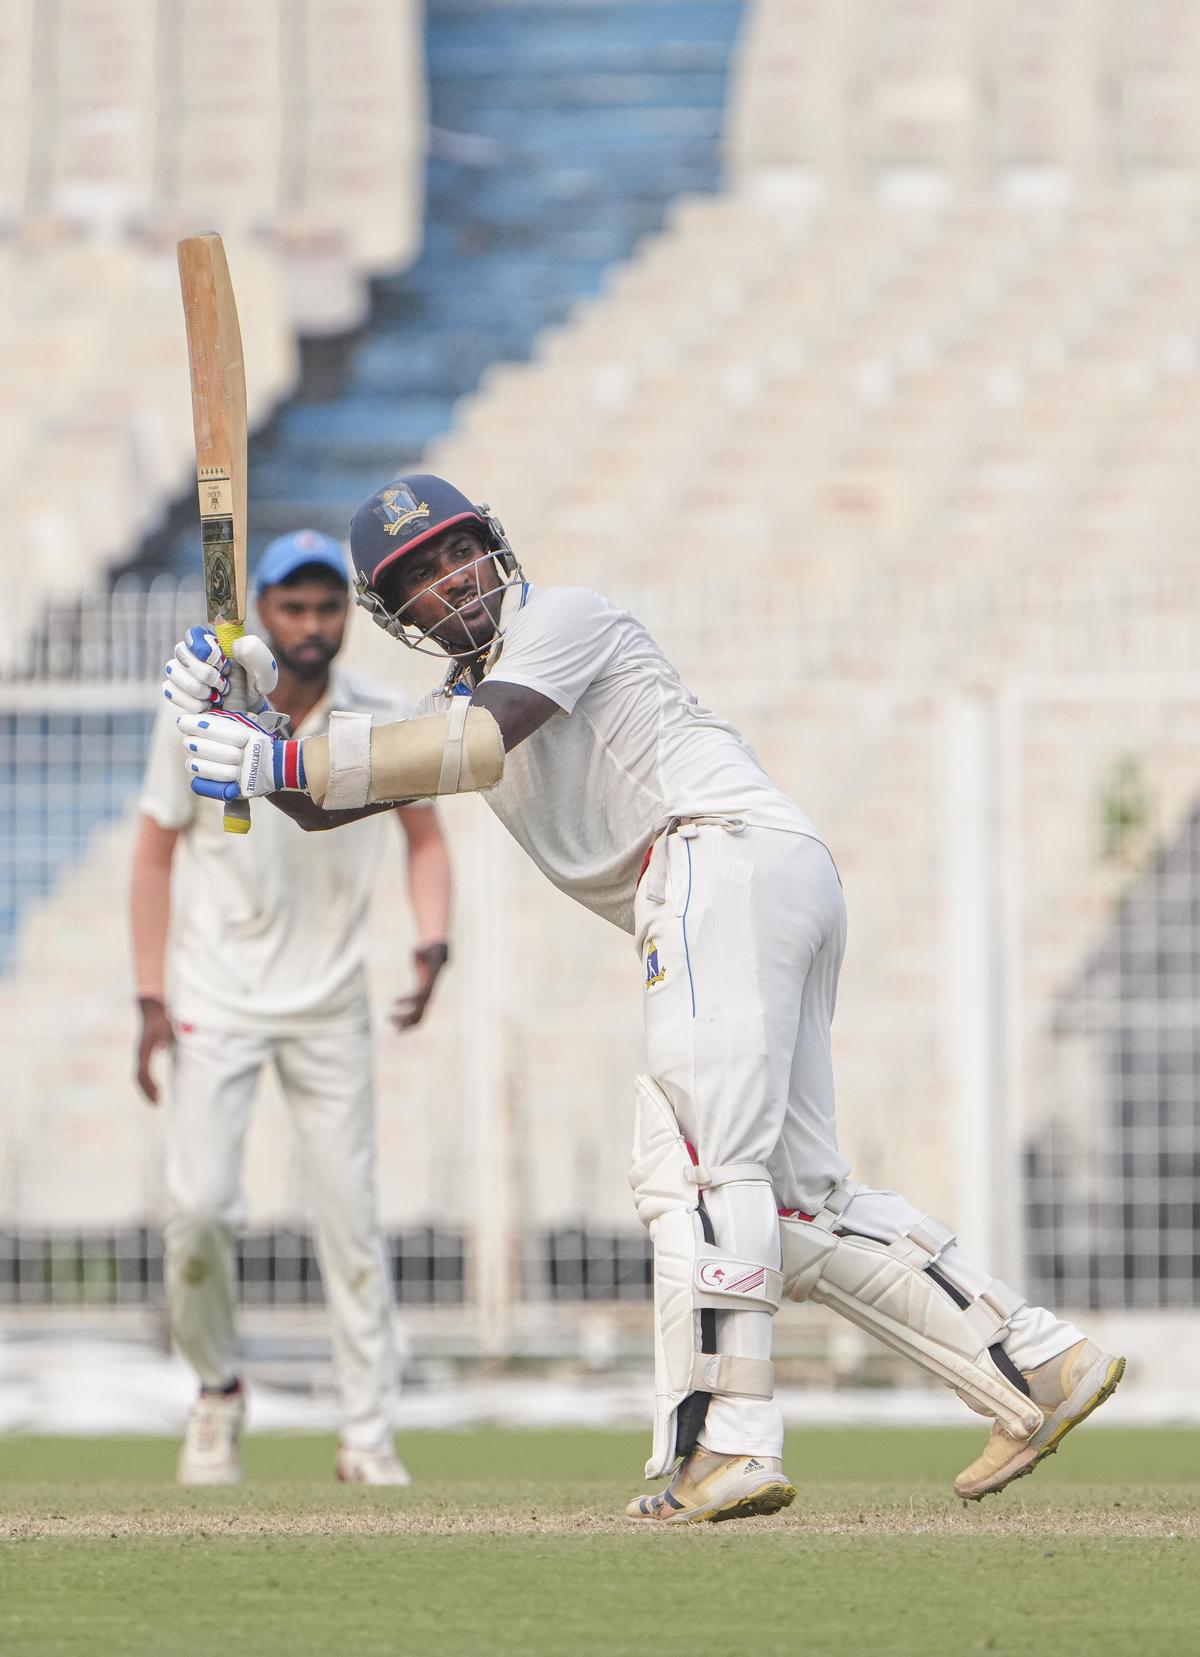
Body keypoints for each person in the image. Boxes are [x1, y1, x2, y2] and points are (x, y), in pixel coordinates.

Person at [166, 475, 1125, 1523]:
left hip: (715, 861)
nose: (453, 582)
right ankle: (1031, 1361)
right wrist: (244, 727)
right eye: (421, 578)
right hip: (751, 874)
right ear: (399, 617)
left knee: (698, 1172)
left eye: (458, 552)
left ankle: (727, 1445)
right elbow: (329, 799)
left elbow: (475, 745)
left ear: (495, 543)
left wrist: (277, 750)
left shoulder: (566, 620)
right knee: (795, 1207)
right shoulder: (455, 699)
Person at [133, 528, 452, 1487]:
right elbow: (153, 855)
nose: (313, 627)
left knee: (351, 1218)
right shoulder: (198, 711)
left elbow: (425, 834)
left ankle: (367, 1432)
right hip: (214, 995)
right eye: (294, 609)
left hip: (328, 1002)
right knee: (196, 1213)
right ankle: (217, 1391)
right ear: (262, 614)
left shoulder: (375, 715)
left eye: (327, 608)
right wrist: (149, 994)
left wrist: (432, 940)